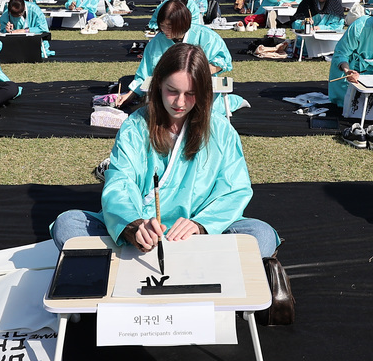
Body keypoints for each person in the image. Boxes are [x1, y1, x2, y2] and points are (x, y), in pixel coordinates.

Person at [51, 43, 278, 258]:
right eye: (172, 91)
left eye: (190, 93)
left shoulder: (220, 130)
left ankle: (115, 260)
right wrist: (133, 225)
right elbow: (120, 182)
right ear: (158, 84)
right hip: (144, 231)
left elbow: (234, 190)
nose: (180, 102)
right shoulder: (135, 127)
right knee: (68, 224)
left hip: (197, 230)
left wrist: (201, 225)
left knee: (261, 235)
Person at [120, 0, 233, 108]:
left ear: (182, 23)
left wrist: (198, 72)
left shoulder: (205, 36)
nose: (165, 31)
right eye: (162, 26)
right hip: (169, 93)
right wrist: (131, 94)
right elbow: (144, 73)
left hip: (199, 90)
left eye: (169, 27)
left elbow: (223, 60)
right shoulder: (157, 42)